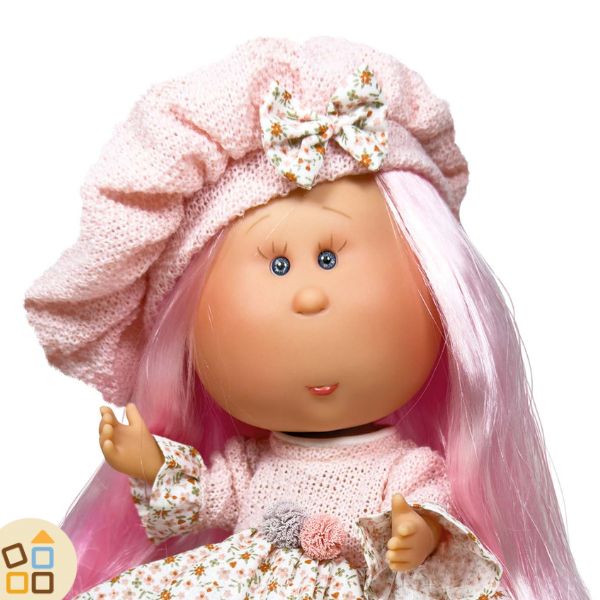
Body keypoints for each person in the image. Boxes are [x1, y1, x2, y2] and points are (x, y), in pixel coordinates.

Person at [23, 36, 590, 599]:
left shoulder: (404, 470)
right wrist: (150, 463)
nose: (310, 297)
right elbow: (204, 498)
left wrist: (418, 534)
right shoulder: (251, 468)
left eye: (328, 259)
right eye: (278, 266)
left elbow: (431, 516)